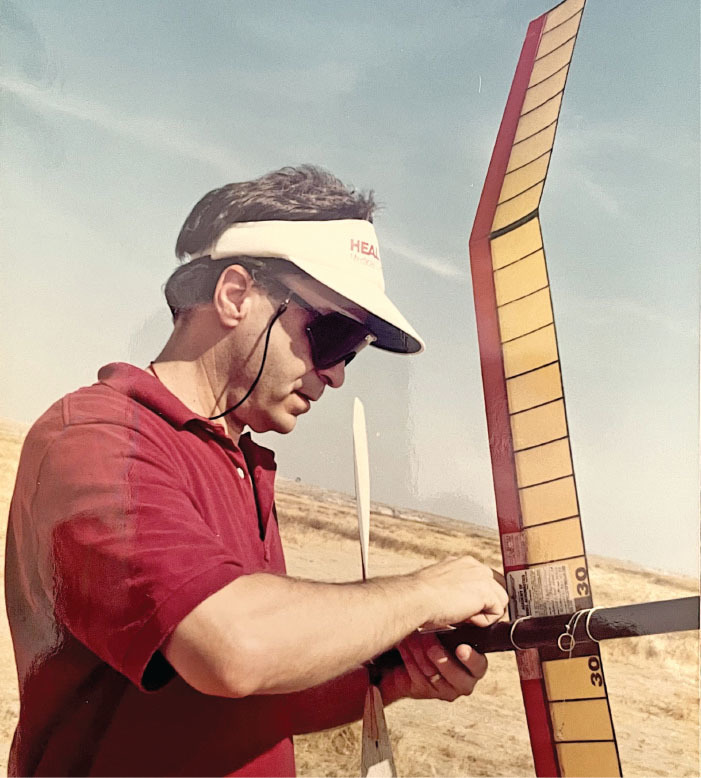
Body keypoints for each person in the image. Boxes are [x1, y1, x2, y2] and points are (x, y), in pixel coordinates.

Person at [5, 165, 508, 777]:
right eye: (332, 336)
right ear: (236, 295)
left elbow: (245, 698)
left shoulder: (240, 464)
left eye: (353, 353)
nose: (338, 372)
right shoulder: (95, 439)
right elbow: (233, 648)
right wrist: (426, 592)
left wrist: (387, 671)